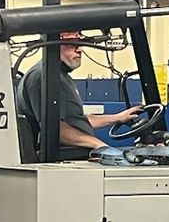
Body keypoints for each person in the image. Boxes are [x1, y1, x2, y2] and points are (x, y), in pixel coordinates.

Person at [18, 32, 145, 160]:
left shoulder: (59, 76)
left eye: (79, 43)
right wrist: (99, 145)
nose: (80, 50)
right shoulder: (42, 77)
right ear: (53, 45)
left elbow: (75, 120)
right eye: (72, 45)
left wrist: (118, 118)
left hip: (69, 155)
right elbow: (56, 131)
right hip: (58, 159)